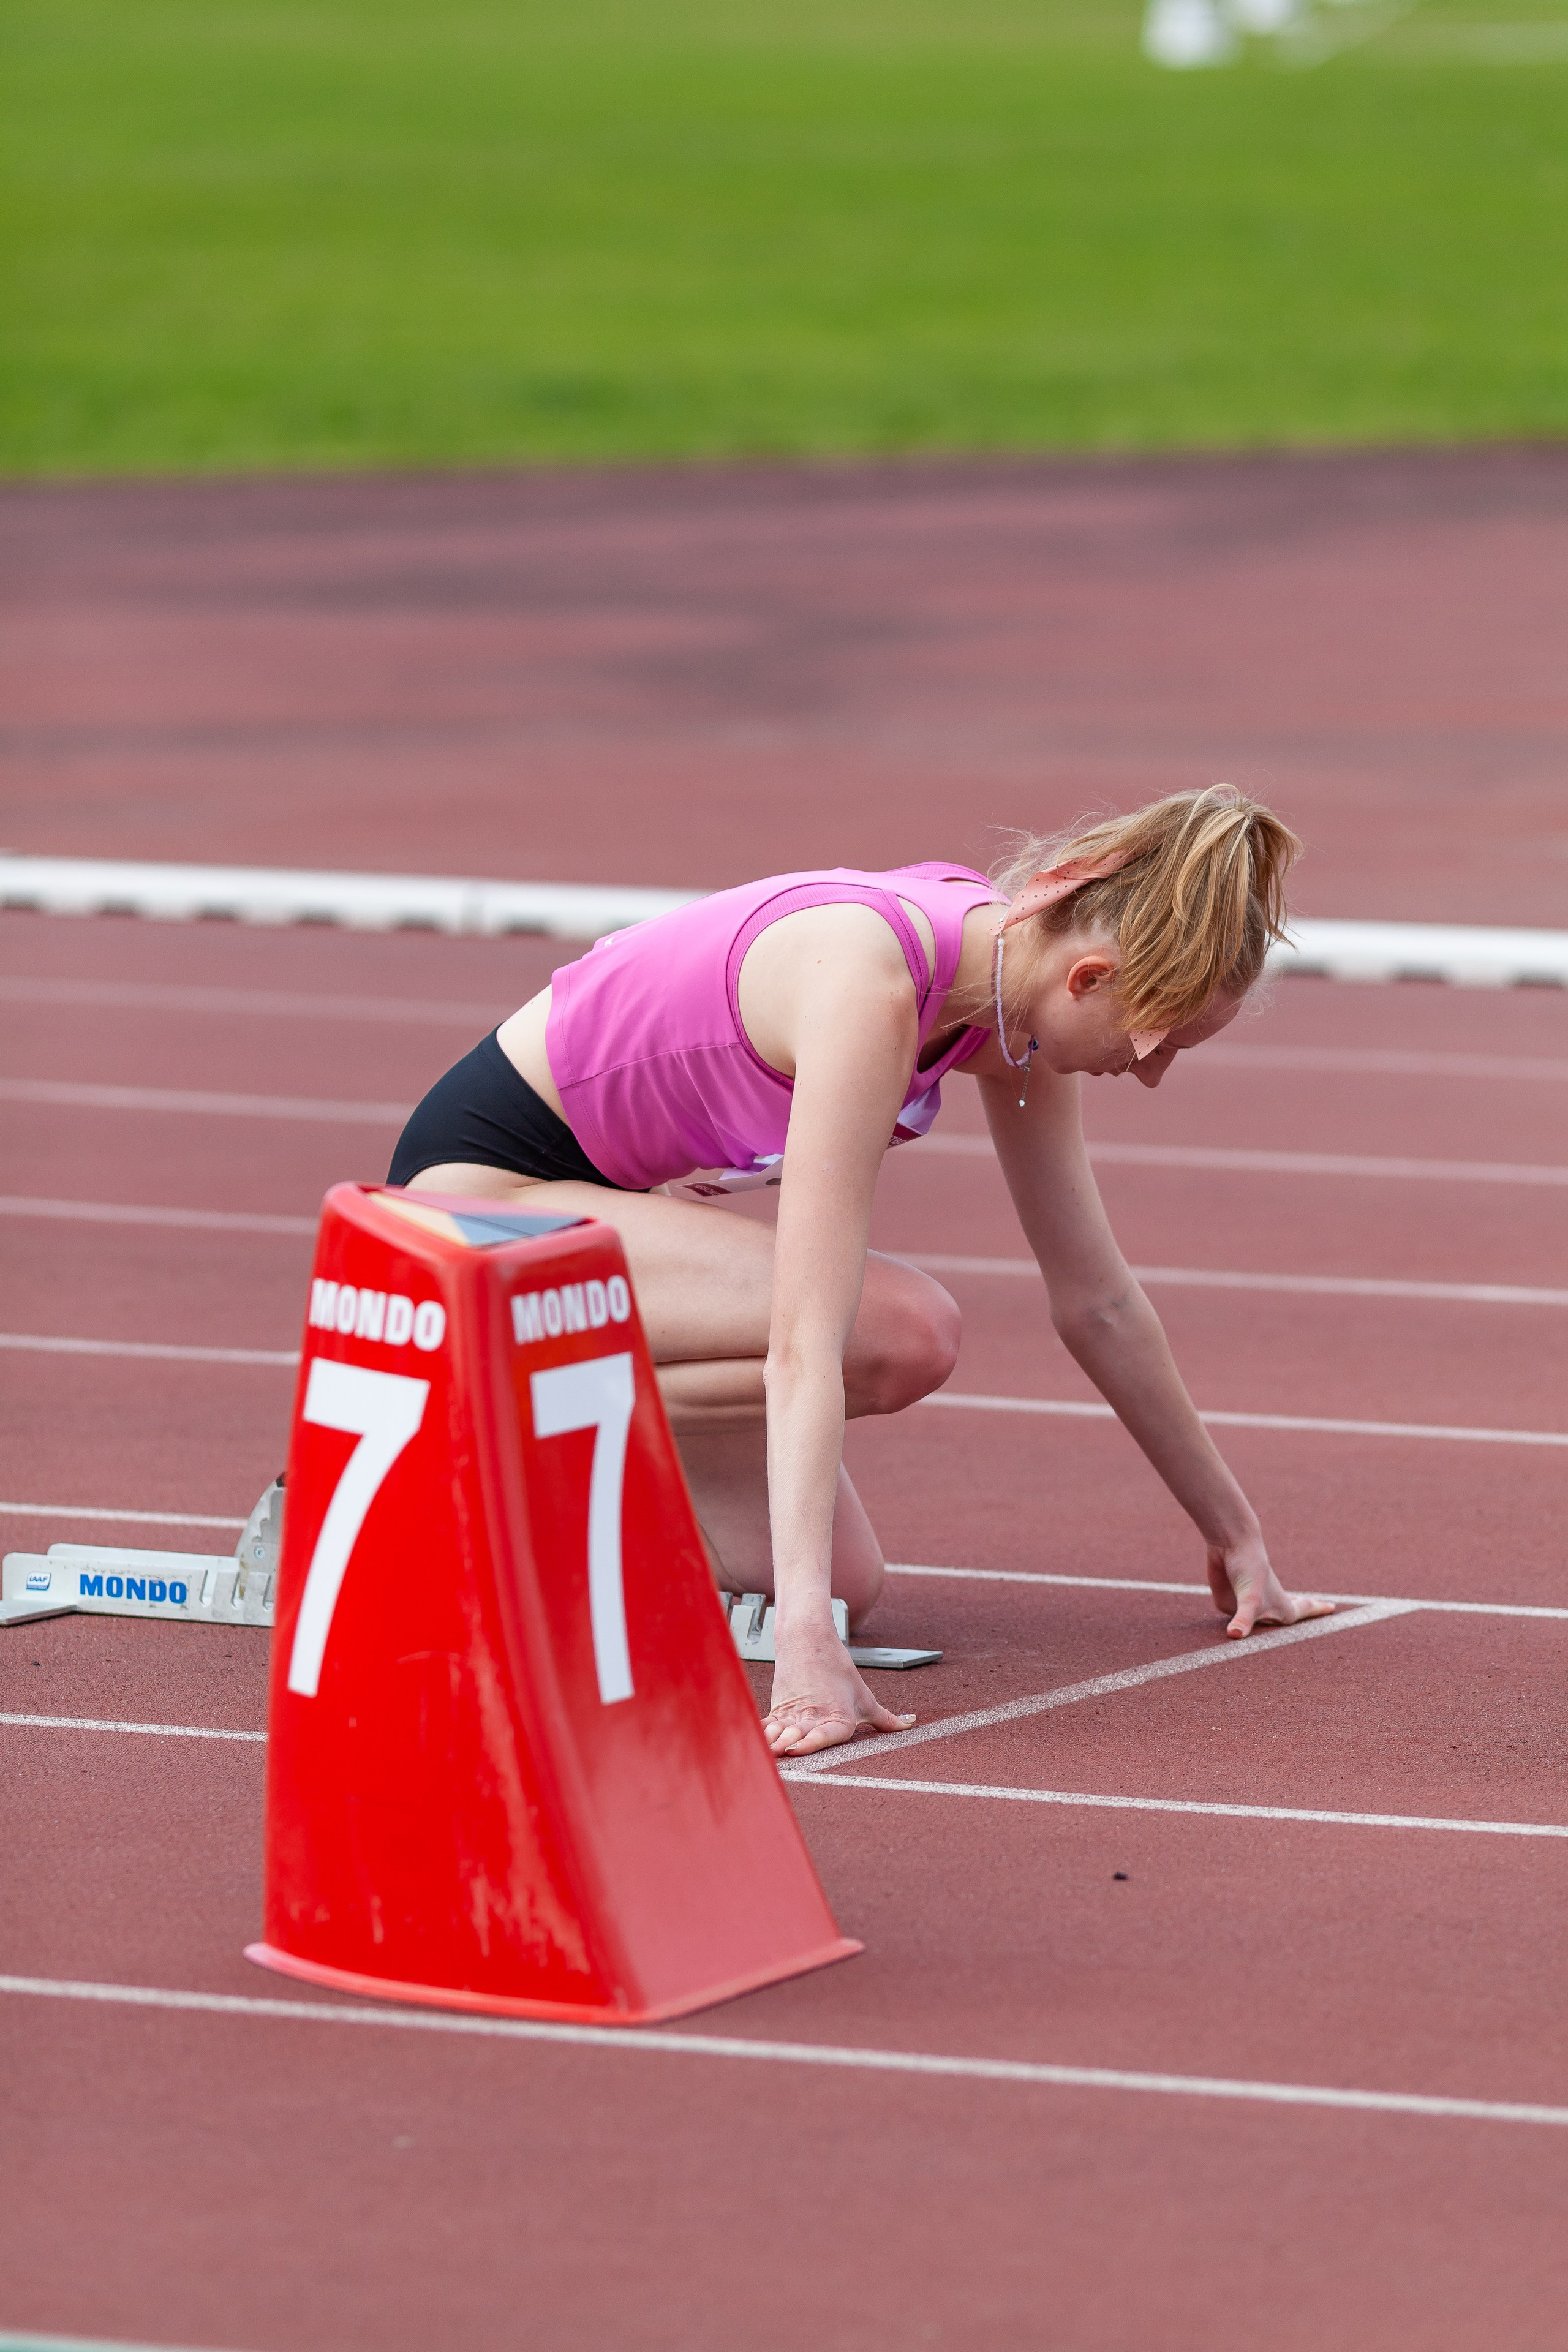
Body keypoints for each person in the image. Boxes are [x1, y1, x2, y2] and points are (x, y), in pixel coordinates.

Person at [388, 784, 1332, 1756]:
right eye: (1156, 1041)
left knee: (841, 1583)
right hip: (470, 1215)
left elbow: (1096, 1297)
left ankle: (509, 1476)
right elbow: (807, 1336)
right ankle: (460, 1422)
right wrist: (801, 1655)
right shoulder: (869, 986)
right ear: (1088, 978)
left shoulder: (1012, 1002)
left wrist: (1234, 1532)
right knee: (902, 1331)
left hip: (600, 1214)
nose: (1152, 1075)